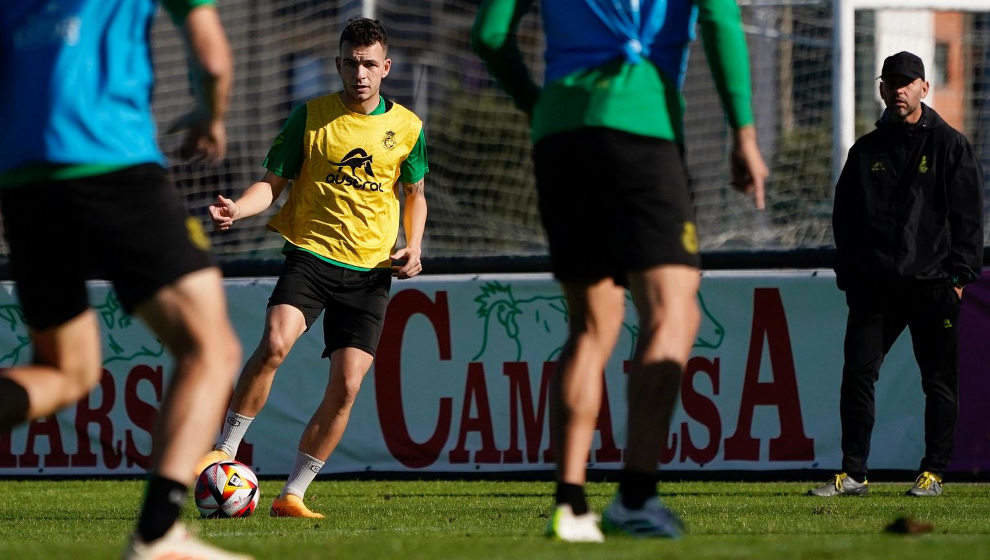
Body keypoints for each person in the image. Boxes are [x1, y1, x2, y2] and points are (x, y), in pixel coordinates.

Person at [472, 0, 767, 542]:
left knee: (590, 325)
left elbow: (490, 34)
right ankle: (635, 496)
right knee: (674, 311)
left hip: (561, 136)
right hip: (642, 127)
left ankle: (570, 504)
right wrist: (743, 133)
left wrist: (540, 106)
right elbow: (722, 22)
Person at [0, 2, 248, 559]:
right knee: (211, 349)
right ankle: (158, 535)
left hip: (24, 183)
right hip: (112, 163)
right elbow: (213, 60)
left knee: (64, 370)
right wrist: (211, 118)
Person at [197, 17, 428, 518]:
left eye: (370, 64)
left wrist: (413, 244)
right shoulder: (311, 117)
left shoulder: (408, 127)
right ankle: (227, 449)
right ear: (338, 65)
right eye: (351, 64)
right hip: (311, 254)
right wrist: (238, 207)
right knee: (276, 341)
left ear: (386, 67)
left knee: (347, 386)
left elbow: (416, 195)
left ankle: (293, 495)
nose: (360, 73)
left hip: (370, 272)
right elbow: (271, 185)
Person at [810, 51, 984, 499]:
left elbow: (969, 218)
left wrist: (960, 277)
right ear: (882, 88)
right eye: (892, 82)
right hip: (876, 288)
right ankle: (854, 474)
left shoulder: (950, 145)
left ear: (925, 88)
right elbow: (844, 217)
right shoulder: (866, 150)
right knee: (858, 375)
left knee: (939, 381)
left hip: (933, 286)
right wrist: (849, 274)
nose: (899, 89)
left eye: (908, 82)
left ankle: (934, 471)